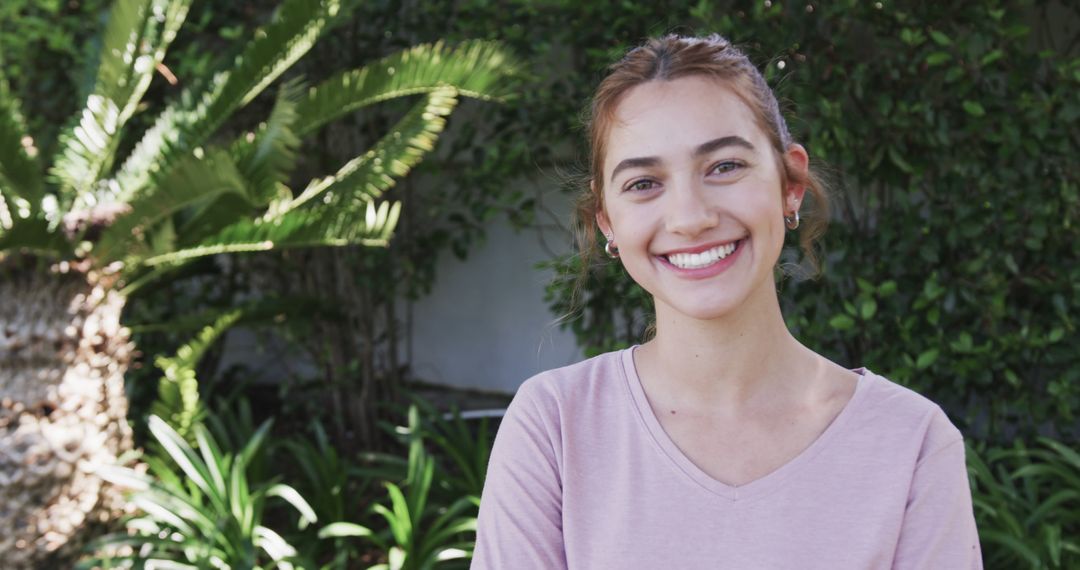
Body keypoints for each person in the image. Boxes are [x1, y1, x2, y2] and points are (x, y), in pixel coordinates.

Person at [472, 34, 982, 569]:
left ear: (791, 183)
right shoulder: (555, 426)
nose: (690, 217)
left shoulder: (912, 442)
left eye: (724, 167)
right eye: (644, 183)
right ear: (608, 222)